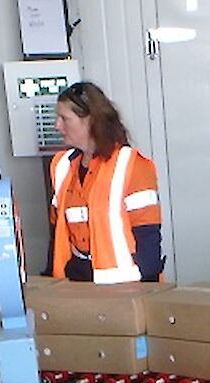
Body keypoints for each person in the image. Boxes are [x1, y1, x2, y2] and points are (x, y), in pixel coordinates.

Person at [46, 82, 163, 283]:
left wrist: (146, 293)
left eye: (65, 119)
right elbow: (57, 231)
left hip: (125, 286)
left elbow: (148, 237)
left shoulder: (132, 165)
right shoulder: (61, 166)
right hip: (75, 280)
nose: (57, 125)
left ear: (90, 121)